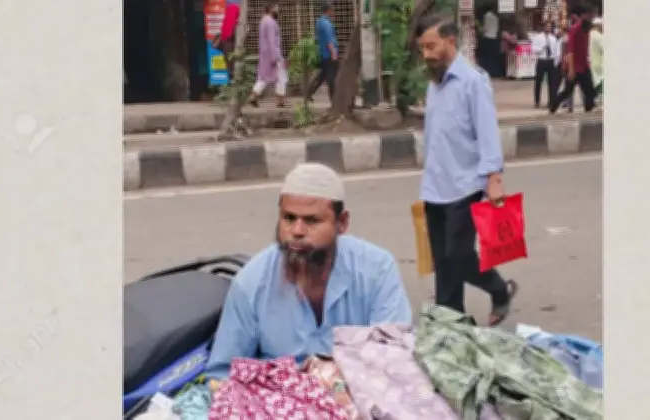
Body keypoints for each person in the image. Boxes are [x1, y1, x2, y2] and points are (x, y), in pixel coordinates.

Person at [203, 162, 412, 381]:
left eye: (312, 220)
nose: (297, 231)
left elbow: (395, 357)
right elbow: (224, 375)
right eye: (289, 218)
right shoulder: (251, 282)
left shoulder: (376, 269)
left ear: (342, 223)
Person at [415, 13, 518, 326]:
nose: (427, 54)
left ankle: (499, 290)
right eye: (422, 48)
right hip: (435, 186)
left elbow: (487, 131)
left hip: (465, 185)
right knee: (444, 264)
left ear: (450, 41)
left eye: (432, 46)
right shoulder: (435, 85)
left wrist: (493, 178)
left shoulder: (473, 81)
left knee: (459, 255)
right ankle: (453, 324)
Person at [549, 3, 598, 114]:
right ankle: (553, 107)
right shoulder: (575, 29)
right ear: (584, 15)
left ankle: (589, 110)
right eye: (590, 15)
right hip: (574, 67)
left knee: (589, 90)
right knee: (567, 91)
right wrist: (570, 70)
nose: (592, 17)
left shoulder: (587, 28)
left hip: (584, 65)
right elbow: (570, 51)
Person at [249, 1, 287, 108]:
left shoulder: (263, 21)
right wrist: (275, 57)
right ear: (271, 9)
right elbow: (271, 41)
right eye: (276, 7)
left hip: (265, 54)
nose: (278, 10)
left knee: (263, 77)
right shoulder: (270, 22)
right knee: (281, 77)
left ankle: (254, 96)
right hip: (273, 54)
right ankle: (280, 101)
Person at [306, 2, 340, 102]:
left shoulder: (319, 22)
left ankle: (309, 93)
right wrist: (333, 53)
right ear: (328, 11)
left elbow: (318, 38)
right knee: (332, 77)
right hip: (329, 54)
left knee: (322, 76)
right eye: (332, 10)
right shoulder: (326, 24)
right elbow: (329, 40)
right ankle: (334, 98)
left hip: (324, 53)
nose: (333, 12)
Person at [531, 21, 561, 108]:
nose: (548, 28)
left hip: (550, 61)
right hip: (541, 60)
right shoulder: (538, 38)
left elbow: (556, 51)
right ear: (543, 27)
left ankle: (551, 101)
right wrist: (541, 48)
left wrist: (556, 61)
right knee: (538, 82)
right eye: (547, 27)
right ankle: (537, 101)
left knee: (552, 82)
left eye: (550, 27)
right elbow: (534, 49)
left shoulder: (553, 38)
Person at [213, 0, 241, 80]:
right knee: (233, 64)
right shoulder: (235, 9)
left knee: (229, 64)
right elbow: (232, 27)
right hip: (229, 41)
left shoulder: (229, 9)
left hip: (225, 41)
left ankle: (231, 80)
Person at [477, 6, 501, 78]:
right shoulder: (495, 17)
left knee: (487, 57)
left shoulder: (487, 16)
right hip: (494, 38)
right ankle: (494, 72)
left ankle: (488, 72)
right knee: (493, 57)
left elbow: (485, 28)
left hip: (487, 38)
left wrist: (479, 29)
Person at [589, 17, 604, 102]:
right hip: (599, 63)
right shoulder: (599, 36)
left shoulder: (588, 34)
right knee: (600, 82)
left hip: (591, 62)